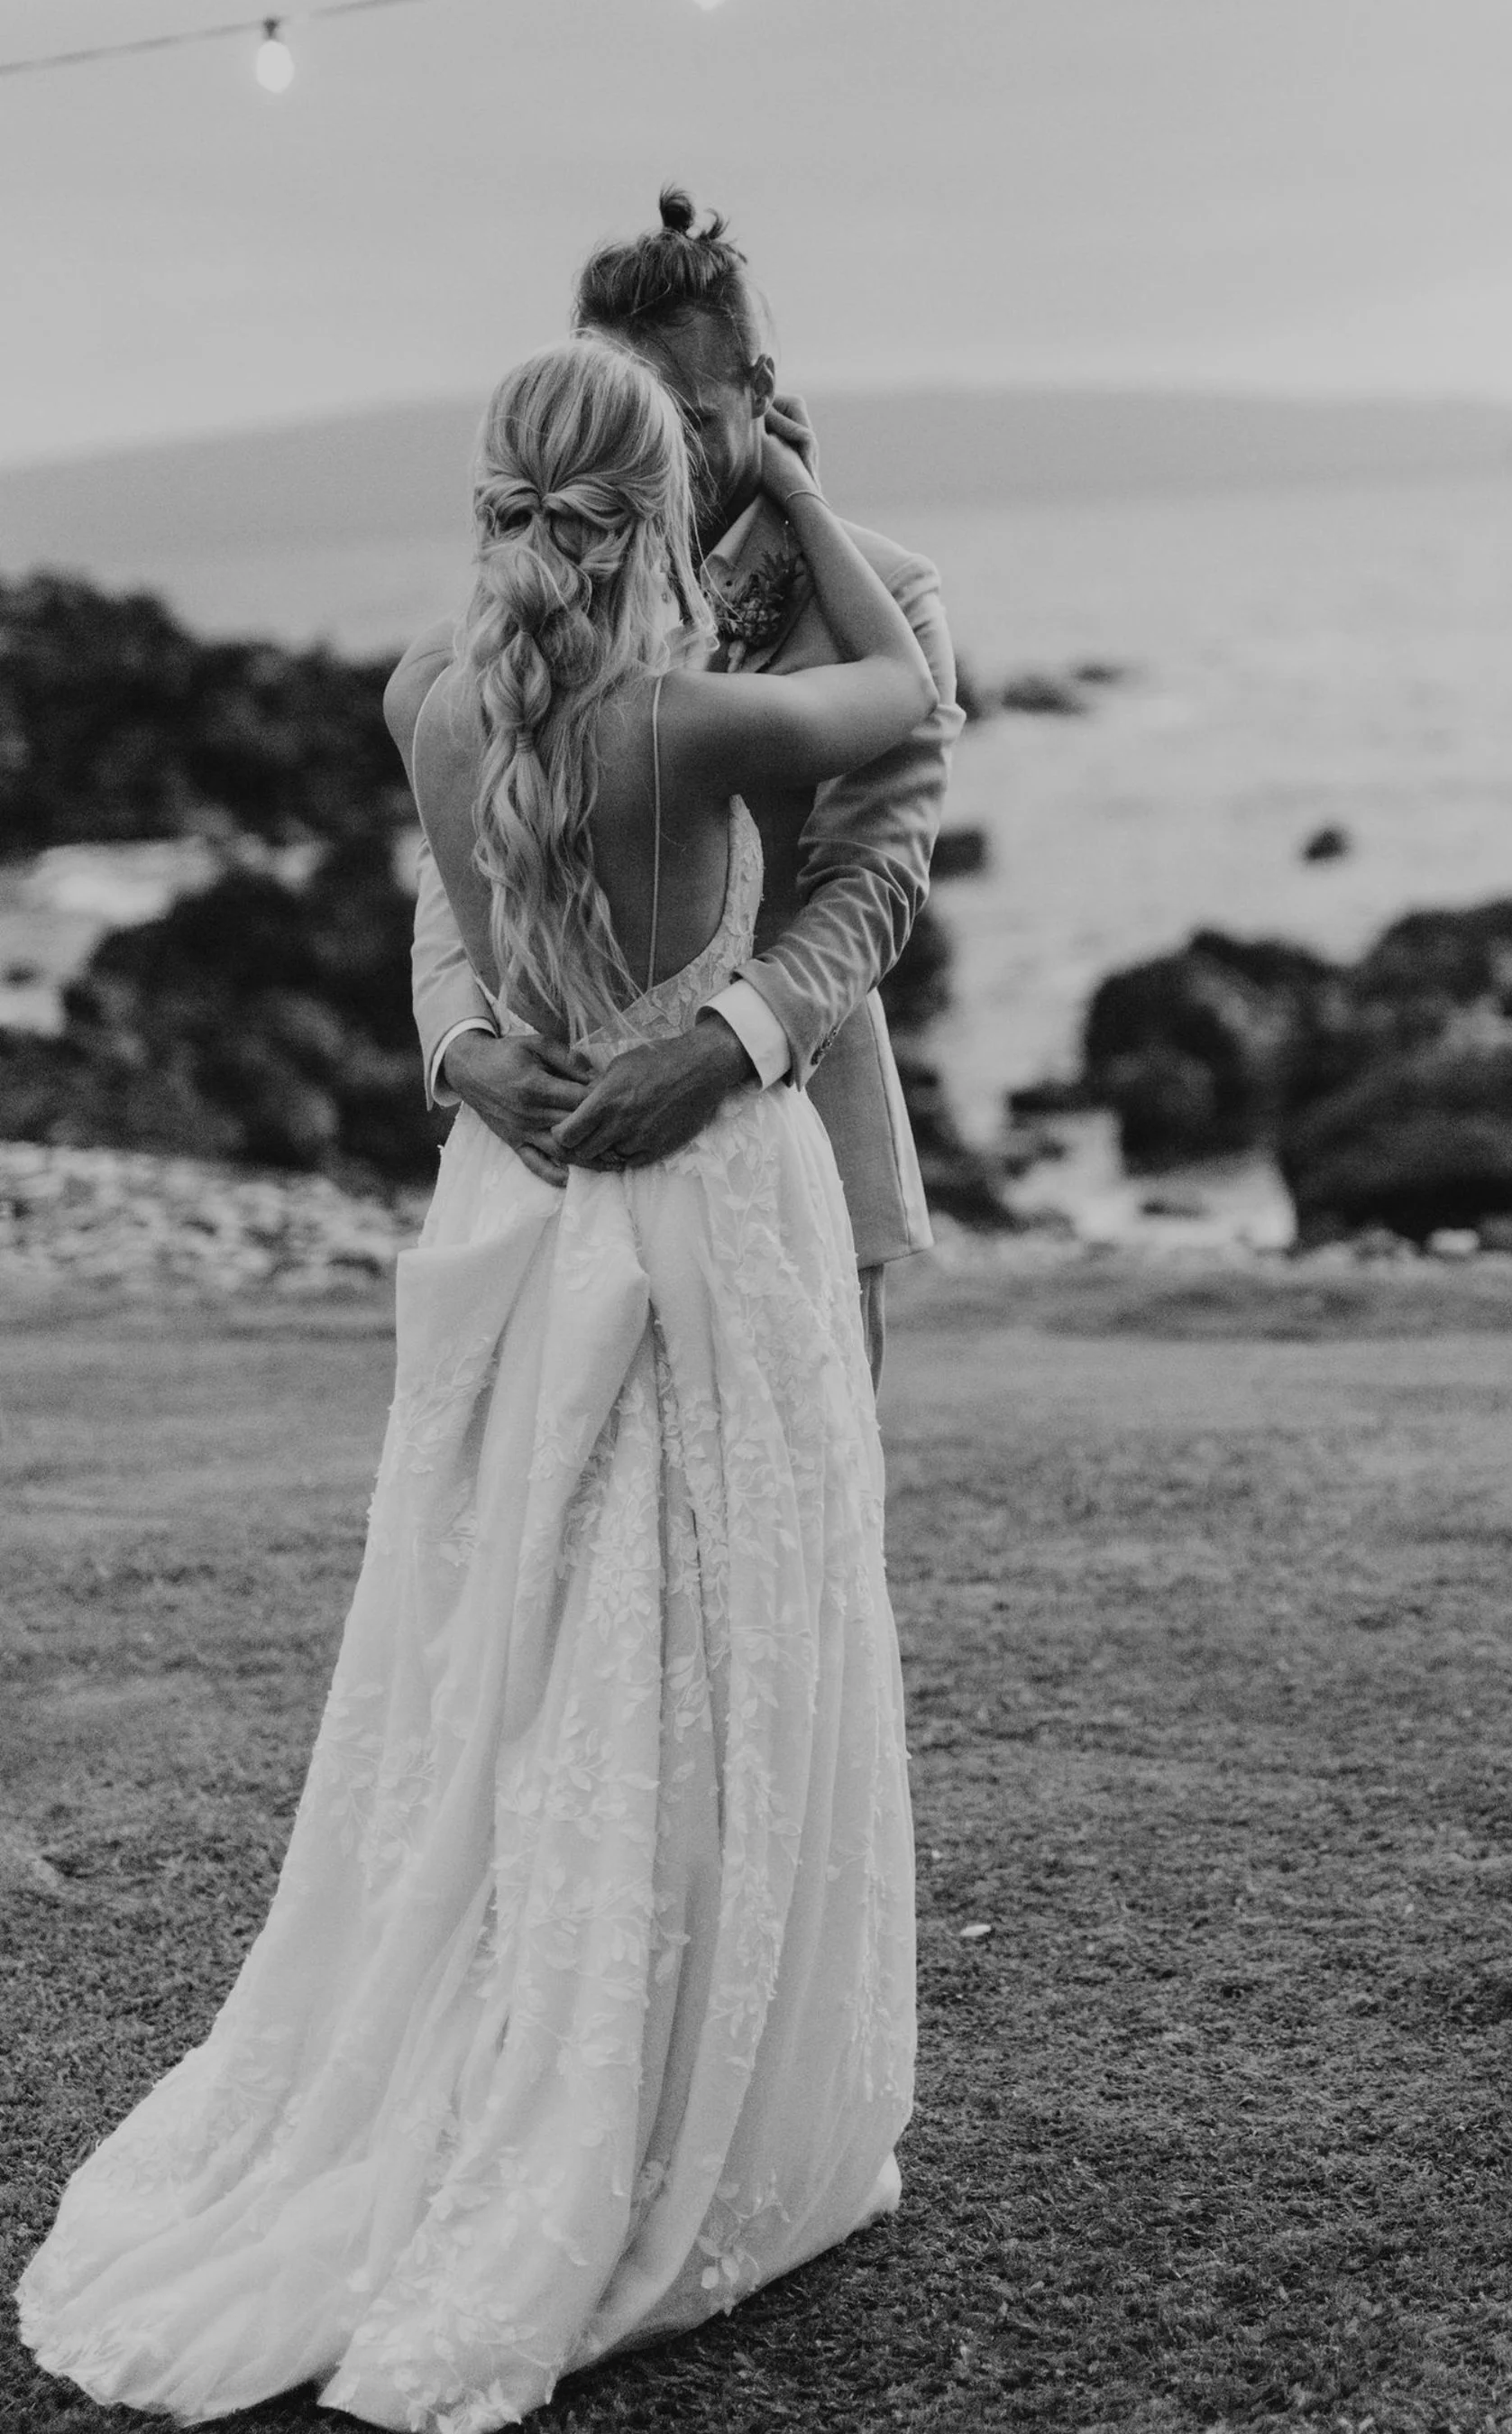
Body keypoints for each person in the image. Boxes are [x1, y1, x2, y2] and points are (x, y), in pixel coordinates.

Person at [19, 334, 933, 2427]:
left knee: (515, 1643)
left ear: (497, 516)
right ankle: (644, 2079)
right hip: (698, 1199)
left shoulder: (426, 703)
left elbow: (458, 899)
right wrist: (789, 497)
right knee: (710, 1633)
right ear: (656, 515)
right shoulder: (688, 717)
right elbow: (912, 700)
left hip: (513, 1205)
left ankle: (525, 2026)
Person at [417, 188, 962, 1387]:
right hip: (556, 1121)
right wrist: (461, 1044)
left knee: (789, 1526)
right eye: (632, 414)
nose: (656, 450)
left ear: (761, 395)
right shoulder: (525, 593)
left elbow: (873, 879)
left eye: (690, 416)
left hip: (790, 1101)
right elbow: (461, 817)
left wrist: (722, 1050)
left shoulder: (885, 595)